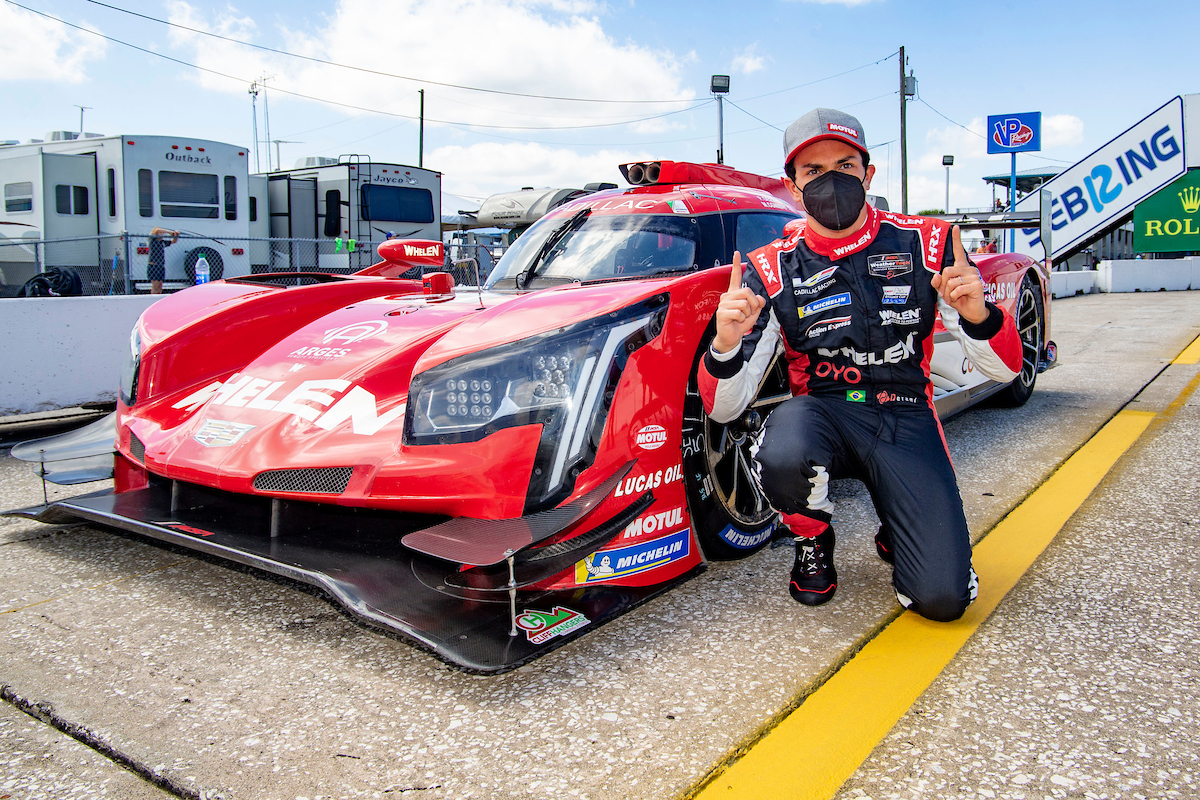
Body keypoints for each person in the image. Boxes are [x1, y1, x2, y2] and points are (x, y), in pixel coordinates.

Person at [700, 108, 1022, 622]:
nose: (831, 180)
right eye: (813, 170)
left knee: (942, 600)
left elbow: (1005, 371)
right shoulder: (771, 266)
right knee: (782, 450)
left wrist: (978, 314)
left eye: (845, 166)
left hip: (906, 414)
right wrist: (725, 344)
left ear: (868, 174)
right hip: (824, 413)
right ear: (793, 186)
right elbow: (723, 409)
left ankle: (899, 526)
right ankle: (812, 537)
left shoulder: (929, 242)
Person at [147, 227, 178, 294]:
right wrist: (170, 232)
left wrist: (176, 235)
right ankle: (153, 297)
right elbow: (156, 229)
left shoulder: (162, 242)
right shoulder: (153, 240)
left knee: (160, 285)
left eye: (162, 233)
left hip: (160, 265)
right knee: (155, 285)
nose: (162, 234)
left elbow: (173, 241)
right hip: (153, 266)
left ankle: (158, 297)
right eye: (160, 233)